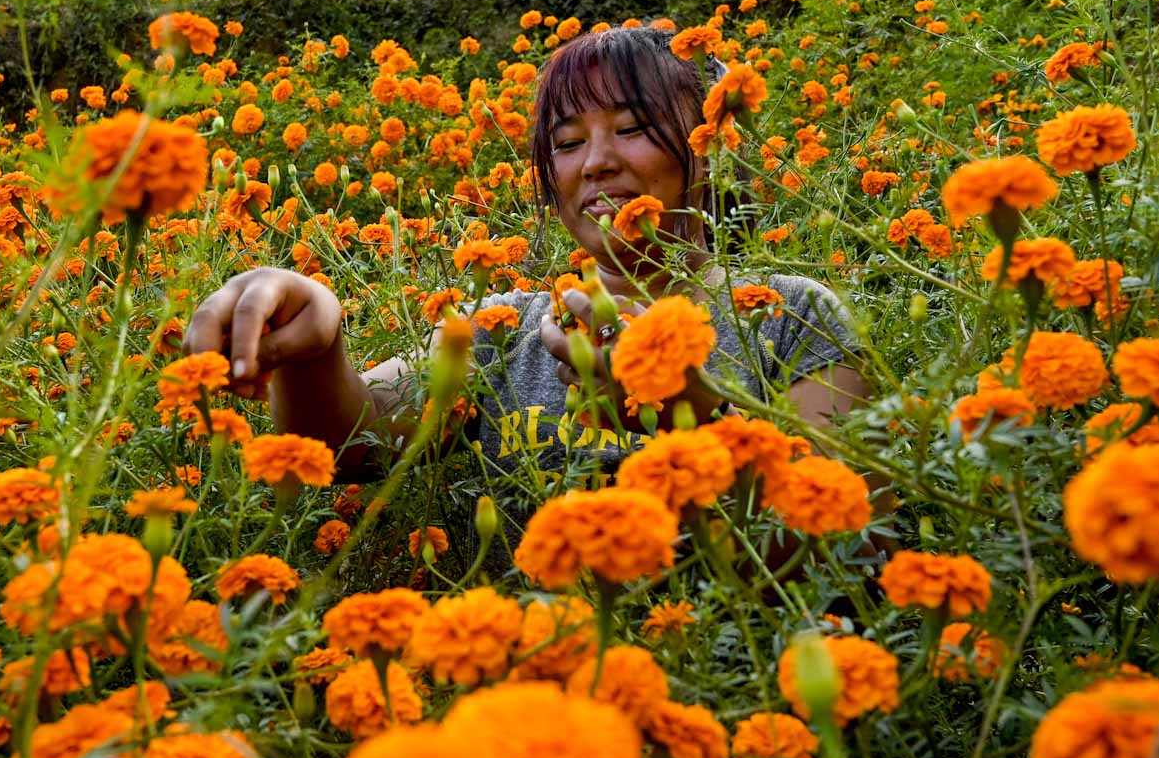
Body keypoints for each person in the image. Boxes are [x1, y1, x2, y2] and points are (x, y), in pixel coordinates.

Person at [182, 25, 870, 485]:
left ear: (710, 147)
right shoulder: (502, 332)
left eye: (631, 129)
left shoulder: (792, 319)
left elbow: (842, 536)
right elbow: (352, 442)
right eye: (567, 142)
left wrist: (696, 420)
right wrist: (313, 343)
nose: (596, 163)